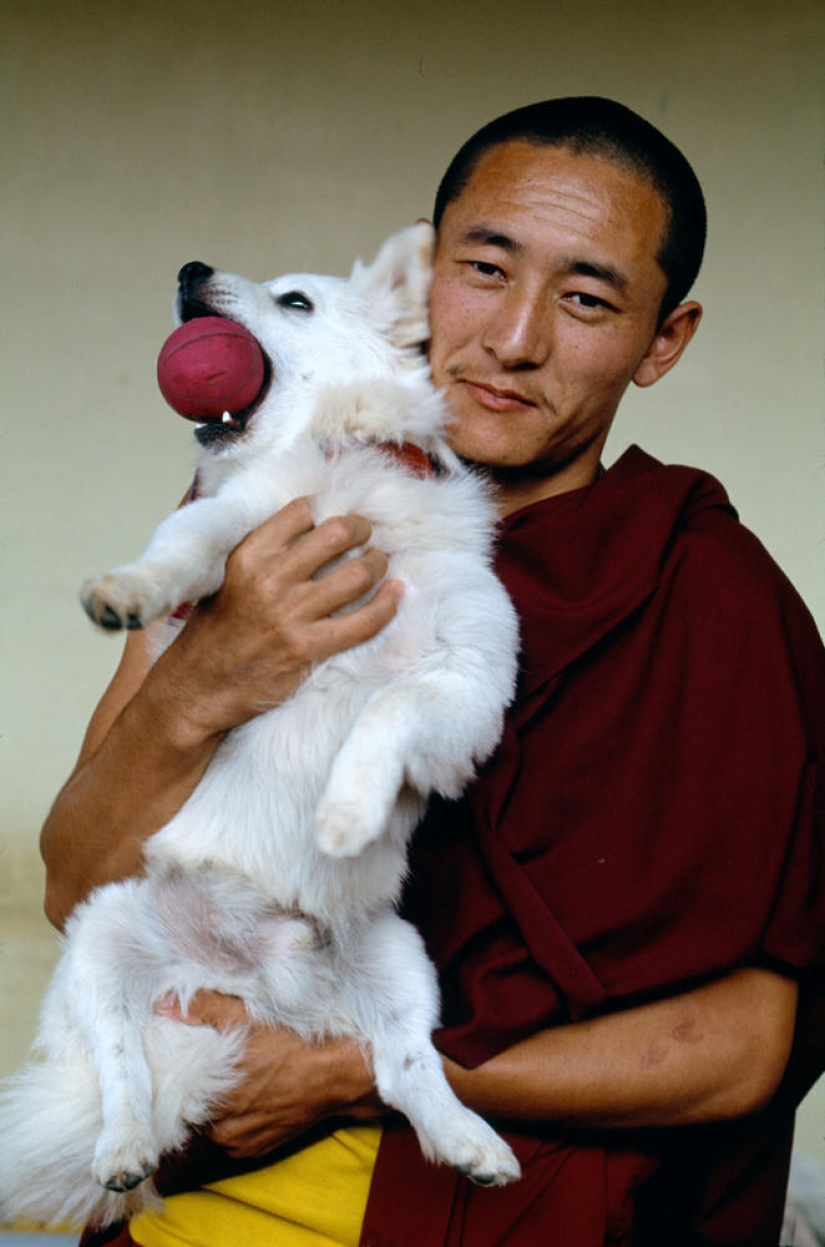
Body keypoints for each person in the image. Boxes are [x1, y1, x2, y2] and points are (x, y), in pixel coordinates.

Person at [43, 98, 825, 1246]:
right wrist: (212, 668)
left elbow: (742, 1048)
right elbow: (79, 888)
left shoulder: (709, 594)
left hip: (500, 1208)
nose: (514, 338)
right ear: (424, 279)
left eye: (588, 299)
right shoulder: (268, 521)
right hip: (196, 1204)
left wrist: (352, 1072)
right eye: (485, 269)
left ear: (664, 340)